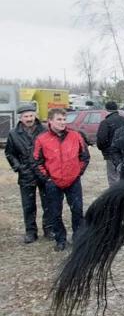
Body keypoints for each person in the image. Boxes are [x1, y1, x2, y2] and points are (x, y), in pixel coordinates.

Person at [33, 108, 90, 251]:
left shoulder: (75, 136)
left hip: (73, 181)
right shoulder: (41, 139)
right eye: (59, 119)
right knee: (55, 212)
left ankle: (78, 237)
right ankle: (60, 239)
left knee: (77, 210)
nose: (62, 122)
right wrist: (47, 178)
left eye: (64, 119)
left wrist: (78, 173)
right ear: (50, 121)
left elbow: (84, 157)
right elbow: (36, 162)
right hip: (53, 182)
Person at [4, 104, 49, 243]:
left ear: (35, 115)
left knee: (48, 203)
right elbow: (9, 153)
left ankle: (49, 229)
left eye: (31, 115)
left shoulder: (45, 130)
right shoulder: (13, 133)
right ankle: (31, 232)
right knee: (28, 205)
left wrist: (48, 169)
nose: (29, 119)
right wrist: (18, 167)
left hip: (43, 172)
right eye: (26, 116)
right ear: (20, 118)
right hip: (25, 174)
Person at [96, 101, 124, 186]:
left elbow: (101, 140)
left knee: (113, 178)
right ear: (117, 109)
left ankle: (115, 197)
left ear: (106, 110)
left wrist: (104, 150)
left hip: (111, 154)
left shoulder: (106, 122)